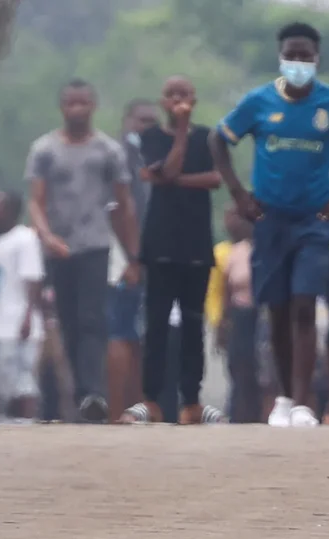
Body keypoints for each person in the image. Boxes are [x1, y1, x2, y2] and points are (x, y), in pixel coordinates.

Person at [208, 22, 329, 427]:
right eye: (291, 55)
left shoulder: (327, 103)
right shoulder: (259, 102)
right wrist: (238, 194)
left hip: (313, 223)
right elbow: (219, 139)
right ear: (281, 57)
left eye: (306, 56)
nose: (298, 62)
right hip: (270, 221)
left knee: (303, 304)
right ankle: (281, 397)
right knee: (277, 309)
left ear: (317, 58)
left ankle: (302, 402)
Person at [26, 78, 142, 422]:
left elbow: (124, 205)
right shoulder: (44, 149)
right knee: (69, 322)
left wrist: (133, 256)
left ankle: (94, 393)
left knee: (93, 318)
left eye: (83, 103)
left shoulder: (108, 151)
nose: (77, 109)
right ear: (62, 107)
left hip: (95, 243)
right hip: (59, 248)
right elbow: (36, 200)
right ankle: (81, 393)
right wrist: (46, 236)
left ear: (93, 106)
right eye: (70, 103)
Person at [121, 75, 222, 424]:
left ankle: (191, 401)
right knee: (157, 324)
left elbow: (215, 178)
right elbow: (168, 166)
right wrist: (180, 133)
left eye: (185, 95)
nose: (178, 100)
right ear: (163, 102)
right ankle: (152, 400)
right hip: (160, 242)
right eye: (172, 95)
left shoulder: (208, 137)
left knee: (194, 326)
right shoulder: (149, 138)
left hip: (195, 243)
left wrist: (171, 180)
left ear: (194, 100)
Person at [107, 98, 159, 420]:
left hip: (148, 257)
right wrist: (131, 258)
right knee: (121, 332)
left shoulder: (151, 159)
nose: (146, 127)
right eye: (142, 120)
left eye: (153, 121)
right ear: (127, 120)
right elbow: (116, 212)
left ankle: (140, 407)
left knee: (142, 336)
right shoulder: (118, 156)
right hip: (123, 258)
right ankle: (116, 411)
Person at [0, 189, 45, 421]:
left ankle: (28, 420)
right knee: (2, 378)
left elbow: (33, 279)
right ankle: (5, 420)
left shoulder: (25, 238)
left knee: (24, 379)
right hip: (0, 322)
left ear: (11, 210)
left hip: (20, 322)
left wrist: (29, 316)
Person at [216, 206, 261, 422]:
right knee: (239, 367)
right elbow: (227, 290)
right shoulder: (237, 252)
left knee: (262, 371)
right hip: (240, 316)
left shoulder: (268, 249)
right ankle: (238, 416)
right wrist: (223, 324)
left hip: (263, 317)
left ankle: (261, 415)